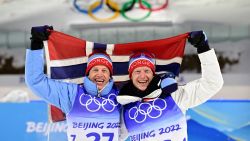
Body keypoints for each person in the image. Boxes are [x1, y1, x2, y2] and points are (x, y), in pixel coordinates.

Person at [117, 31, 224, 141]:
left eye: (146, 71)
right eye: (137, 71)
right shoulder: (125, 109)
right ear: (131, 76)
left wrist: (203, 48)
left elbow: (212, 83)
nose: (142, 76)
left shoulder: (174, 95)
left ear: (153, 74)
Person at [25, 25, 121, 141]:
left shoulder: (121, 97)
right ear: (88, 74)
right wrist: (36, 45)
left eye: (104, 70)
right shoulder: (71, 94)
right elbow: (35, 81)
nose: (99, 74)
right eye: (95, 70)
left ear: (110, 75)